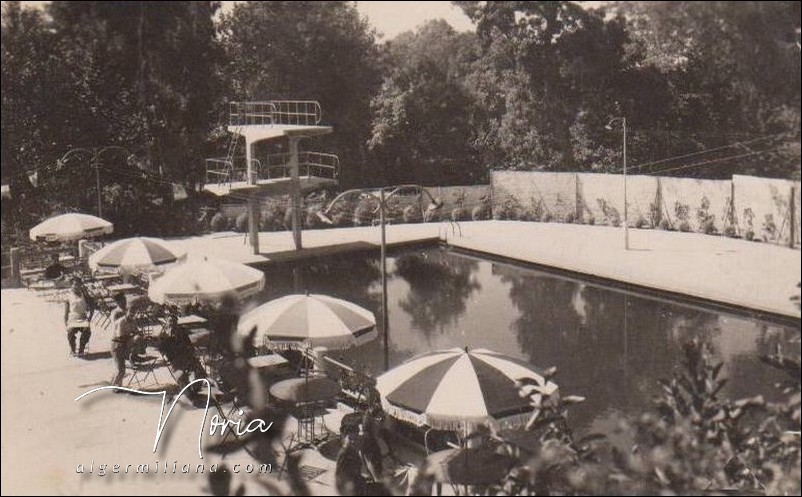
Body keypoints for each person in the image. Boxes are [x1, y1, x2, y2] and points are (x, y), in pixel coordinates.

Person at [109, 294, 134, 387]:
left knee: (121, 368)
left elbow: (131, 325)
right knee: (121, 369)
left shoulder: (125, 311)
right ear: (117, 302)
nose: (124, 302)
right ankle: (114, 386)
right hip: (117, 342)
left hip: (124, 342)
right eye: (121, 301)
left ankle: (118, 385)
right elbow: (119, 328)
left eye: (124, 300)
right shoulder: (116, 313)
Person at [64, 277, 92, 356]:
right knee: (70, 332)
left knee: (87, 331)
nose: (76, 286)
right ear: (71, 286)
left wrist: (90, 318)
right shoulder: (69, 296)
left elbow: (92, 306)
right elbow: (66, 312)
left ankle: (81, 348)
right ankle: (73, 349)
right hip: (73, 318)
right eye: (74, 285)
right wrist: (66, 323)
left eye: (78, 284)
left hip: (83, 317)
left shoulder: (84, 294)